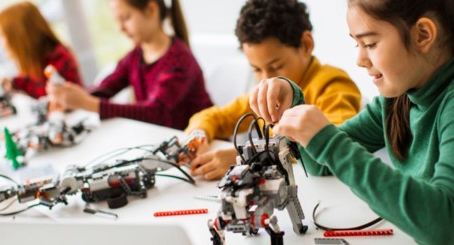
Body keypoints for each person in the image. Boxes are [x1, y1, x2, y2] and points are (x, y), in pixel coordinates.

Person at [249, 0, 454, 244]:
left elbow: (445, 224)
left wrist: (328, 142)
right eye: (357, 44)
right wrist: (295, 106)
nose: (359, 59)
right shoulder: (396, 102)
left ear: (423, 35)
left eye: (370, 44)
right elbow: (319, 163)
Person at [186, 0, 361, 180]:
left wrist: (251, 157)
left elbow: (334, 146)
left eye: (276, 66)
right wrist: (198, 135)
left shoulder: (332, 84)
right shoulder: (266, 92)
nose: (265, 78)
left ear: (306, 45)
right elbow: (215, 117)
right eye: (256, 69)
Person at [47, 0, 212, 130]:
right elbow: (106, 88)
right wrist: (70, 97)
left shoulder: (179, 60)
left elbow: (155, 113)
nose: (120, 28)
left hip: (201, 148)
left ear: (151, 9)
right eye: (116, 21)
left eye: (125, 18)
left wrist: (87, 103)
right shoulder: (136, 56)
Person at [0, 2, 83, 99]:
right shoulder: (35, 62)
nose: (1, 43)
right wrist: (12, 82)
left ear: (20, 37)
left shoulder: (58, 57)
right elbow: (31, 82)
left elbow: (54, 97)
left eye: (3, 35)